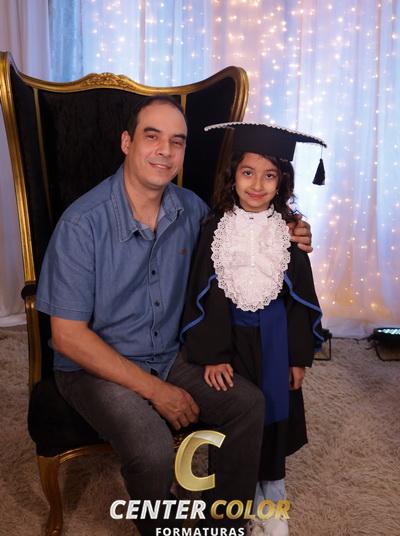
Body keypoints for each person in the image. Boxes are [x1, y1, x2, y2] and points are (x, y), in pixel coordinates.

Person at [35, 97, 314, 534]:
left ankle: (225, 524)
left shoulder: (193, 211)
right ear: (126, 142)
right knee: (152, 447)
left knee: (248, 405)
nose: (165, 150)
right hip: (95, 366)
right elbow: (69, 337)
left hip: (168, 353)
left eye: (177, 141)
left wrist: (291, 228)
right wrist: (156, 391)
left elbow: (245, 240)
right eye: (152, 136)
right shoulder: (82, 224)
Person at [180, 122, 326, 536]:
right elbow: (204, 292)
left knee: (276, 417)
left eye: (269, 175)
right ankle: (235, 493)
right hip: (230, 338)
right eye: (248, 173)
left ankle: (272, 494)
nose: (257, 185)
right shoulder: (216, 228)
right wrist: (212, 355)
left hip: (275, 339)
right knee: (237, 413)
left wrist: (298, 357)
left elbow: (300, 298)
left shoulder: (289, 232)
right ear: (233, 175)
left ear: (282, 181)